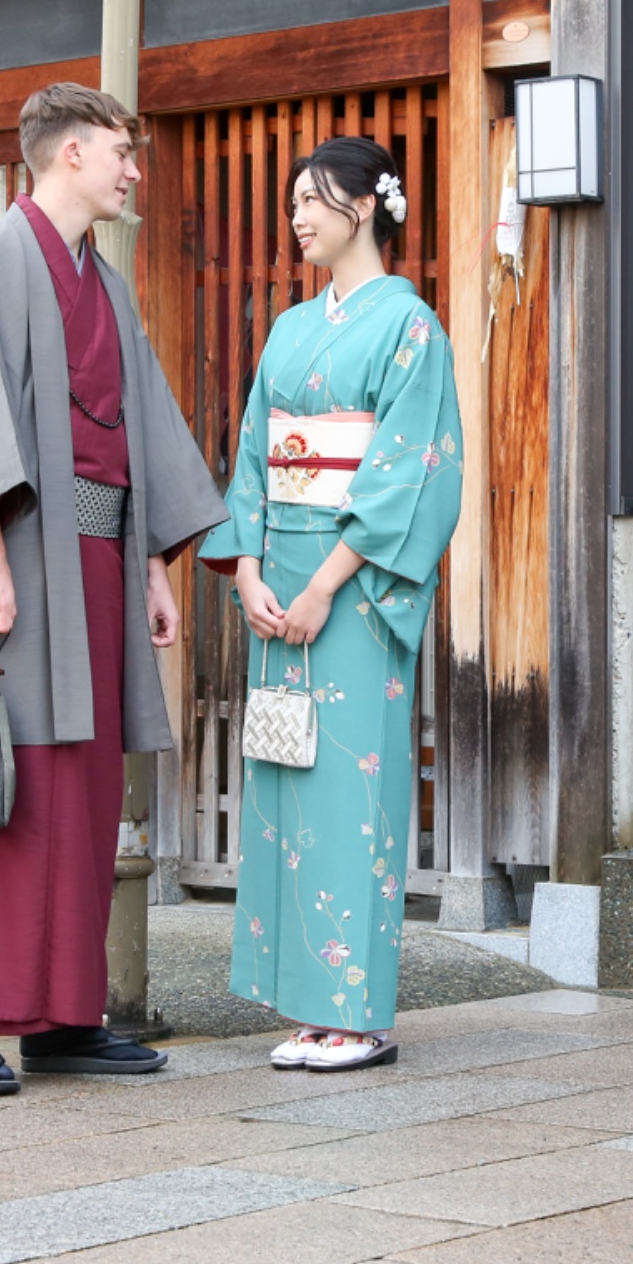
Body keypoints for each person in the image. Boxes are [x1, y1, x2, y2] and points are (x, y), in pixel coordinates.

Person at [0, 82, 228, 1097]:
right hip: (15, 558)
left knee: (79, 791)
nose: (133, 171)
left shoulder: (109, 288)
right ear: (71, 152)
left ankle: (65, 1018)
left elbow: (139, 436)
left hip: (97, 562)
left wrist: (152, 566)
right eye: (122, 152)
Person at [198, 136, 462, 1072]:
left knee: (352, 788)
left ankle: (360, 1013)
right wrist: (248, 570)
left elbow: (409, 472)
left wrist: (323, 584)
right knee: (286, 783)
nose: (298, 217)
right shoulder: (289, 329)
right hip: (279, 585)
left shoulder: (410, 326)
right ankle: (307, 1006)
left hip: (351, 591)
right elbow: (253, 456)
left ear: (366, 206)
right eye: (294, 203)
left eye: (313, 200)